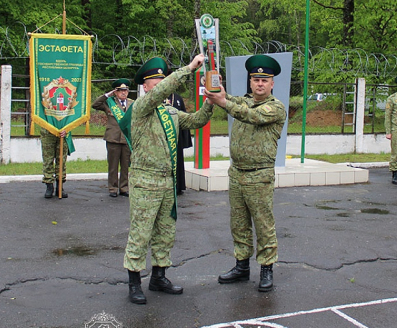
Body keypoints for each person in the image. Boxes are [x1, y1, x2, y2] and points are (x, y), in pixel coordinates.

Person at [123, 55, 214, 305]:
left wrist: (210, 101)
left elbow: (197, 121)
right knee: (141, 232)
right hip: (144, 181)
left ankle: (159, 277)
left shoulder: (170, 112)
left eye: (163, 80)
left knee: (165, 232)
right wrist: (189, 68)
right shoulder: (140, 108)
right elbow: (162, 92)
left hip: (166, 182)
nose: (162, 85)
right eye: (156, 81)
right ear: (145, 86)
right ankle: (133, 282)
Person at [205, 54, 286, 292]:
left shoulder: (276, 107)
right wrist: (217, 88)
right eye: (256, 79)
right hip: (237, 173)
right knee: (238, 223)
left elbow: (250, 115)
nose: (260, 84)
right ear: (250, 82)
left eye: (264, 80)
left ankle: (266, 268)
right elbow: (232, 100)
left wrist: (223, 101)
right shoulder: (243, 101)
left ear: (272, 84)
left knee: (263, 224)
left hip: (259, 175)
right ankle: (241, 266)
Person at [92, 79, 133, 197]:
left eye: (125, 90)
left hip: (126, 139)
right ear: (115, 92)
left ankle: (124, 188)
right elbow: (95, 104)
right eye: (120, 91)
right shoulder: (110, 103)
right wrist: (107, 95)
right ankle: (113, 188)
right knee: (113, 165)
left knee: (125, 165)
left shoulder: (132, 104)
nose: (123, 93)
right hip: (113, 138)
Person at [164, 93, 193, 195]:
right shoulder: (158, 97)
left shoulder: (177, 98)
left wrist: (186, 139)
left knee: (178, 160)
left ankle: (178, 185)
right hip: (163, 135)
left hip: (177, 135)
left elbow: (184, 117)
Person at [40, 127, 70, 198]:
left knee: (61, 162)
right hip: (47, 131)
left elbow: (70, 117)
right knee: (48, 161)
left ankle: (60, 187)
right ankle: (49, 186)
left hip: (63, 132)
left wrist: (67, 129)